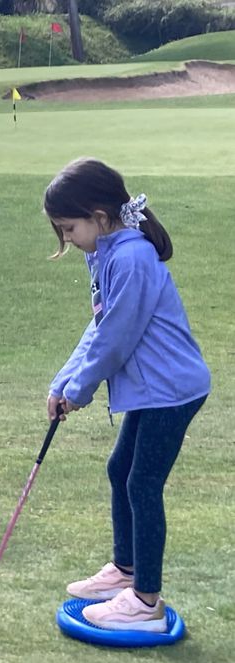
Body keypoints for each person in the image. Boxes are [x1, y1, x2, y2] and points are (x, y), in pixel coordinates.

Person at [43, 157, 210, 632]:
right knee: (121, 470)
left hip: (171, 390)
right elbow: (99, 329)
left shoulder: (131, 258)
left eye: (69, 228)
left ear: (99, 217)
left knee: (142, 483)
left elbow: (117, 337)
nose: (68, 239)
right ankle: (125, 571)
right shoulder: (109, 253)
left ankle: (146, 601)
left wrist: (79, 391)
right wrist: (64, 381)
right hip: (153, 389)